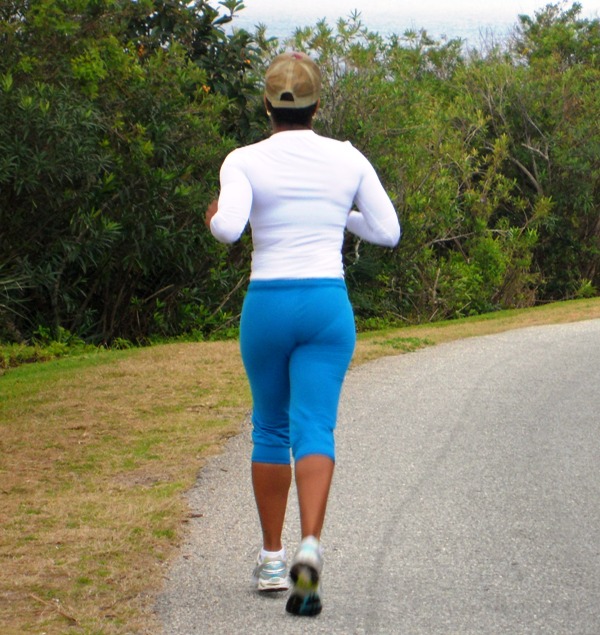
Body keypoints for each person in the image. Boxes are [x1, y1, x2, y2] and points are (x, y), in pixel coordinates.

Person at [205, 51, 400, 617]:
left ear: (266, 105)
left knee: (269, 425)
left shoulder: (243, 159)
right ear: (318, 105)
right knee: (314, 425)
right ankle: (309, 548)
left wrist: (212, 213)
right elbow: (387, 231)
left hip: (268, 305)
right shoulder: (348, 158)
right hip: (325, 306)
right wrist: (339, 215)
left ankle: (272, 560)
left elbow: (229, 229)